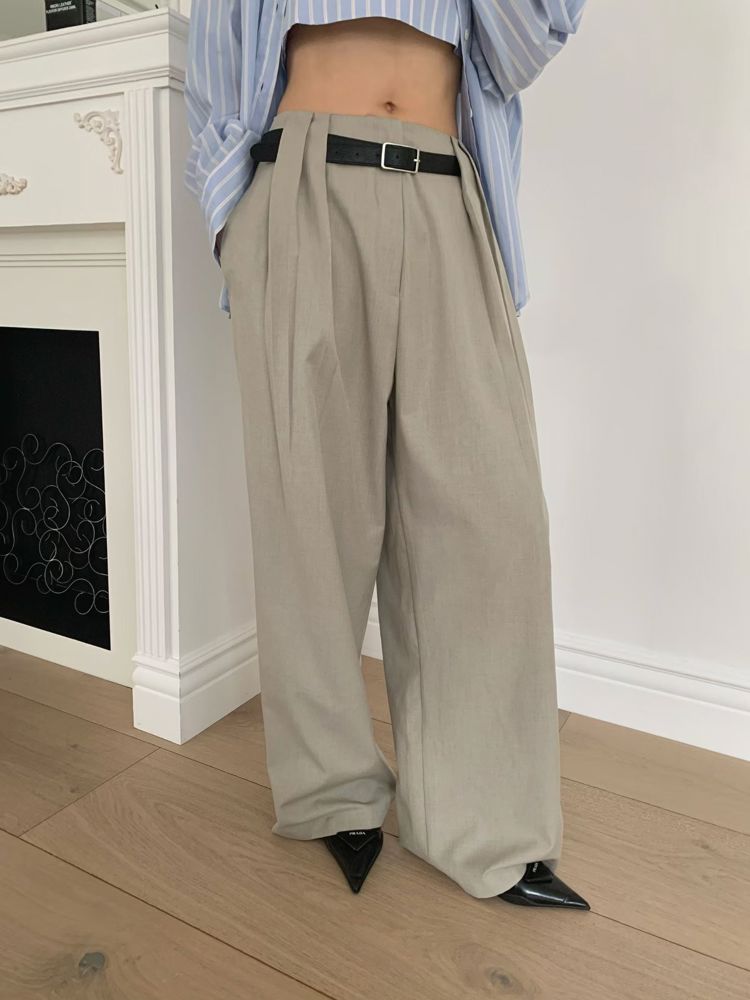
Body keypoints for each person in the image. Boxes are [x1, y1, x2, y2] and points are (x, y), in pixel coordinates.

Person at [184, 0, 590, 909]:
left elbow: (524, 48)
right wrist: (232, 222)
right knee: (309, 513)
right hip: (303, 183)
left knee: (492, 520)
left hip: (449, 187)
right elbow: (218, 49)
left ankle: (485, 821)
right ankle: (331, 792)